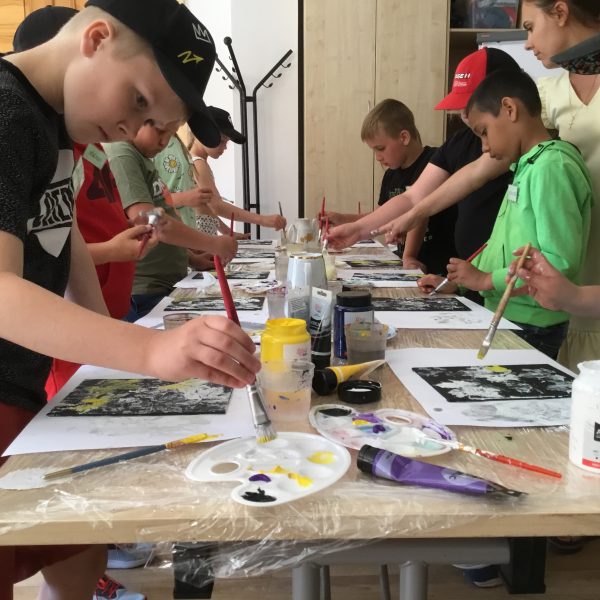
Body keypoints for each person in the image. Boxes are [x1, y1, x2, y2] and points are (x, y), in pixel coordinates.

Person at [0, 1, 260, 598]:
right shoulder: (7, 112)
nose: (130, 128)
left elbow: (61, 237)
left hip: (21, 386)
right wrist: (149, 351)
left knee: (74, 536)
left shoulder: (53, 123)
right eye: (138, 101)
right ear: (96, 38)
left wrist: (107, 362)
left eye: (156, 120)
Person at [420, 68, 592, 359]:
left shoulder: (552, 167)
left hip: (533, 324)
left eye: (484, 132)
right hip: (509, 316)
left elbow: (557, 263)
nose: (485, 147)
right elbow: (504, 245)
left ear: (510, 109)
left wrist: (485, 280)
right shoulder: (527, 166)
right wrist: (461, 282)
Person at [326, 48, 521, 271]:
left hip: (498, 275)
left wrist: (413, 215)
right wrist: (358, 229)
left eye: (469, 105)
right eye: (461, 108)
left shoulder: (511, 146)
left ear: (508, 105)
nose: (464, 115)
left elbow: (473, 176)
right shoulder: (458, 143)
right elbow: (413, 197)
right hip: (472, 277)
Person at [104, 120, 237, 321]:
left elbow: (163, 211)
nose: (164, 142)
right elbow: (148, 218)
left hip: (167, 284)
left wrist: (190, 257)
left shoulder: (142, 157)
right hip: (146, 290)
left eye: (171, 134)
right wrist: (213, 243)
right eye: (161, 131)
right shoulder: (123, 155)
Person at [323, 98, 457, 274]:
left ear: (404, 137)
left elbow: (419, 212)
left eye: (380, 148)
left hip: (438, 266)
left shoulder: (435, 163)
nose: (377, 157)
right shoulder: (391, 175)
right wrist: (344, 219)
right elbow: (381, 216)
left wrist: (409, 255)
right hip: (405, 264)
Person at [186, 106, 287, 235]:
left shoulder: (194, 160)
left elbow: (207, 209)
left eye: (227, 142)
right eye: (222, 141)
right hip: (201, 238)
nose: (225, 147)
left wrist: (229, 233)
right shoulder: (198, 163)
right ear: (201, 132)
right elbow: (217, 206)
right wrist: (263, 220)